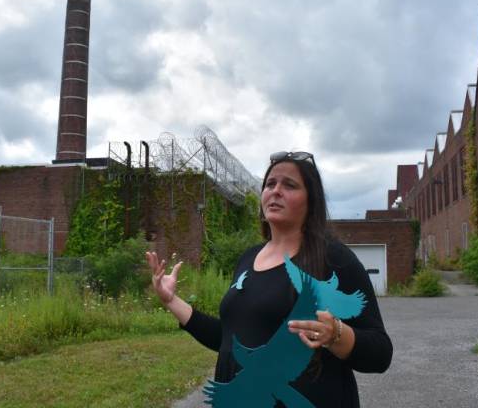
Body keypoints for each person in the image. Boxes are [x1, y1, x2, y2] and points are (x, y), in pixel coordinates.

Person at [146, 151, 392, 407]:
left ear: (311, 201)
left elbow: (380, 353)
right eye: (270, 184)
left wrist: (336, 334)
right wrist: (171, 300)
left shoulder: (333, 258)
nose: (275, 191)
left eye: (290, 185)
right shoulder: (247, 259)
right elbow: (230, 338)